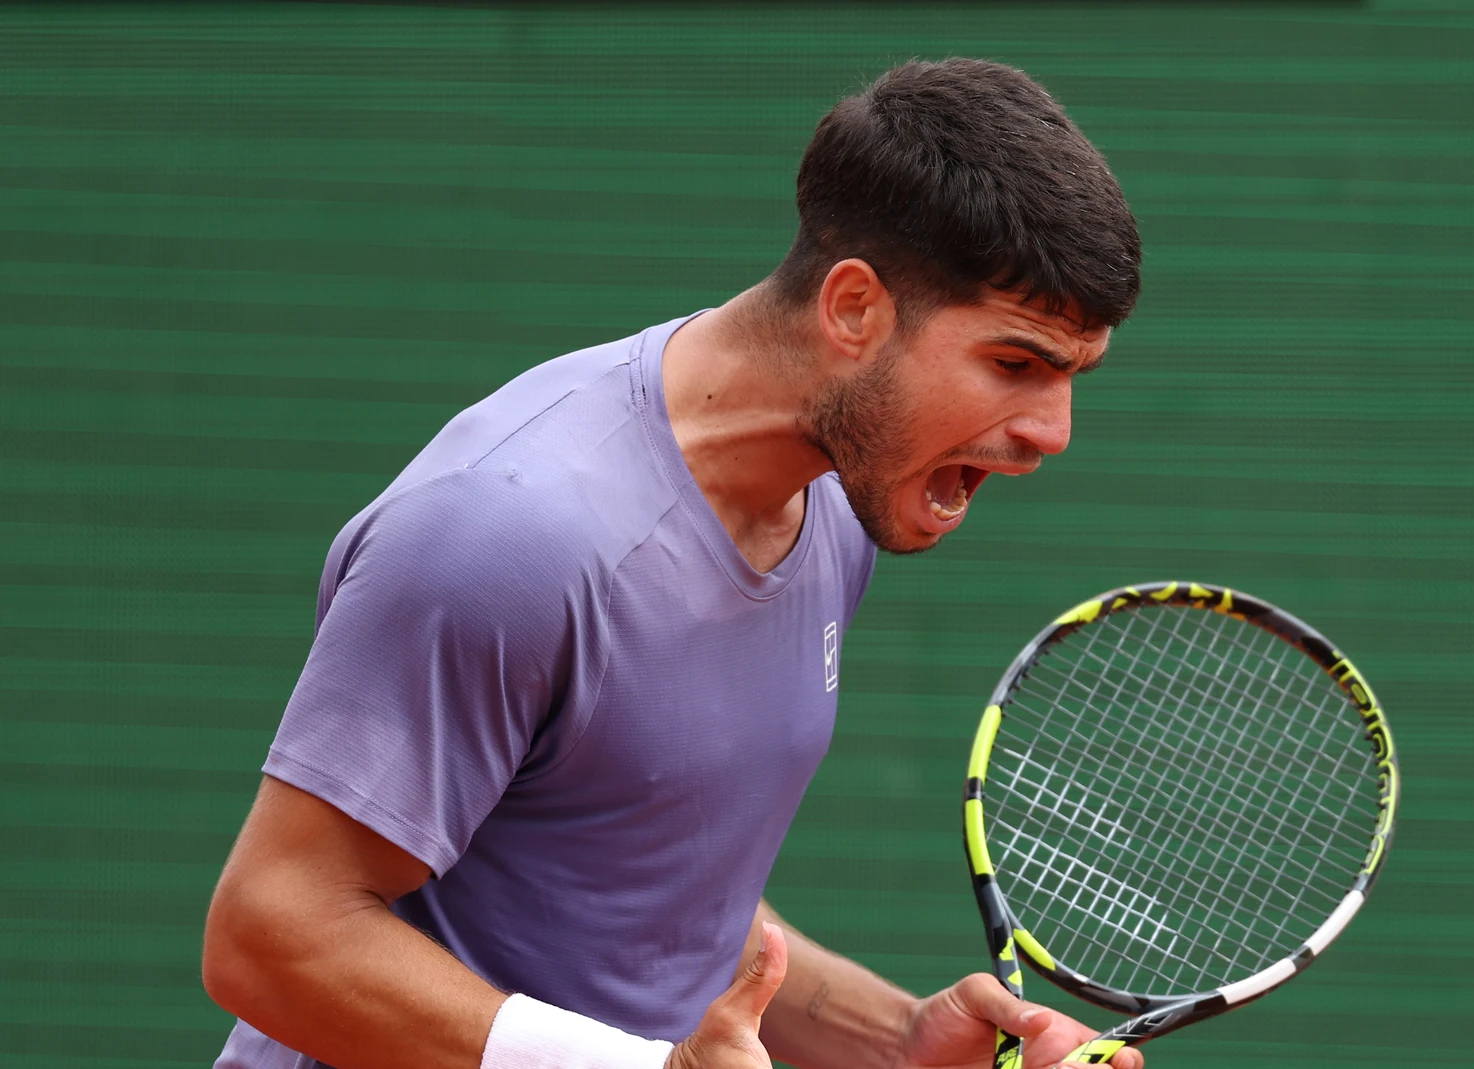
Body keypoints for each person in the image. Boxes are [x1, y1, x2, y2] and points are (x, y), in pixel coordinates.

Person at [201, 57, 1143, 1069]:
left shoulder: (829, 502)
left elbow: (640, 888)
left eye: (1072, 375)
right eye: (1015, 363)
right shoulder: (508, 536)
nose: (1053, 430)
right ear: (855, 309)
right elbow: (271, 936)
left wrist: (896, 1041)